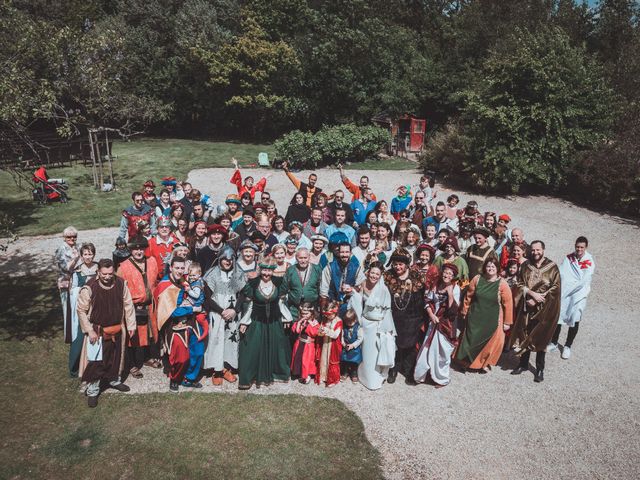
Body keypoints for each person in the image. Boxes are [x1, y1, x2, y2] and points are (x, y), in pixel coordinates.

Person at [77, 259, 136, 407]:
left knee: (115, 358)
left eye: (110, 273)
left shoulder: (121, 283)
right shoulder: (90, 287)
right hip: (97, 332)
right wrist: (89, 330)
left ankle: (113, 380)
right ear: (98, 272)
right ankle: (93, 390)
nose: (108, 277)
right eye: (104, 274)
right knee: (96, 362)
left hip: (117, 329)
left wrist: (131, 325)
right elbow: (81, 310)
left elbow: (128, 305)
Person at [509, 240, 561, 383]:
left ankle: (539, 369)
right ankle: (523, 364)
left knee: (541, 338)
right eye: (533, 250)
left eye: (538, 250)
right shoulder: (526, 265)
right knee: (525, 334)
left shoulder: (552, 268)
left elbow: (555, 288)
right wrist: (531, 294)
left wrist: (538, 299)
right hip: (527, 307)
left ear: (543, 250)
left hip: (544, 310)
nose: (535, 253)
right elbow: (519, 283)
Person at [238, 255, 292, 389]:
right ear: (260, 269)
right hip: (257, 321)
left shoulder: (279, 282)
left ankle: (276, 373)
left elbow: (281, 302)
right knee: (252, 347)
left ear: (273, 270)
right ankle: (251, 376)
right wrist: (245, 322)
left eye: (269, 270)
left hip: (274, 321)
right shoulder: (253, 283)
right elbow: (250, 304)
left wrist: (287, 318)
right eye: (264, 270)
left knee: (277, 347)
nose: (266, 273)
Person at [155, 257, 205, 392]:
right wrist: (192, 309)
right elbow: (171, 312)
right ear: (171, 267)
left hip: (190, 319)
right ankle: (175, 378)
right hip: (172, 322)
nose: (180, 271)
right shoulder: (165, 285)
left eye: (182, 268)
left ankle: (189, 377)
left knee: (198, 349)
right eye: (177, 268)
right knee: (180, 354)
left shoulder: (186, 280)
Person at [455, 258, 513, 373]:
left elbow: (508, 303)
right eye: (488, 266)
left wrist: (507, 322)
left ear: (497, 269)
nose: (490, 269)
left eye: (493, 267)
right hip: (475, 316)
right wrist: (464, 311)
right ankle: (465, 362)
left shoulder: (502, 284)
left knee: (490, 343)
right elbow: (468, 297)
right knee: (469, 340)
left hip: (492, 318)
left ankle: (483, 364)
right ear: (485, 267)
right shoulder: (477, 279)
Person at [116, 236, 160, 378]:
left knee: (150, 333)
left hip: (150, 306)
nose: (139, 251)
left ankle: (147, 357)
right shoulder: (123, 267)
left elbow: (157, 280)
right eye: (135, 249)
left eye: (141, 248)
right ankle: (133, 364)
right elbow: (119, 289)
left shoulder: (152, 261)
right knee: (133, 336)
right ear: (131, 250)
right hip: (133, 307)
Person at [348, 261, 396, 390]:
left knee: (374, 353)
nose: (374, 276)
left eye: (377, 274)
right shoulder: (363, 283)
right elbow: (358, 299)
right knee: (365, 352)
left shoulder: (383, 289)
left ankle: (373, 379)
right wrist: (353, 292)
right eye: (372, 272)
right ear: (368, 272)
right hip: (365, 322)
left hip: (377, 325)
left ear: (380, 276)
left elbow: (387, 310)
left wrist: (385, 329)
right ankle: (362, 375)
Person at [203, 246, 246, 385]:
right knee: (216, 340)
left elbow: (243, 294)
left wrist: (234, 310)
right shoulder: (212, 273)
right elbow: (208, 298)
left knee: (230, 340)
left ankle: (227, 368)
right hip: (217, 314)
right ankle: (217, 370)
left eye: (230, 259)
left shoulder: (237, 273)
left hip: (232, 314)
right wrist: (221, 311)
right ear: (220, 259)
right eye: (225, 259)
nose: (227, 262)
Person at [384, 248, 426, 385]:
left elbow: (421, 297)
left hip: (412, 317)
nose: (398, 267)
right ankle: (393, 369)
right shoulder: (388, 276)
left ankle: (408, 371)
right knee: (394, 344)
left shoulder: (416, 276)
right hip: (393, 316)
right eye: (395, 264)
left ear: (407, 264)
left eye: (401, 264)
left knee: (409, 345)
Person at [414, 263, 461, 387]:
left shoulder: (455, 288)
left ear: (453, 276)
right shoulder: (436, 284)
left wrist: (450, 293)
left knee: (442, 352)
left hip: (446, 324)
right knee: (427, 348)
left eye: (450, 274)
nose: (447, 275)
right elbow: (427, 300)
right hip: (433, 321)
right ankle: (422, 374)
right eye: (445, 272)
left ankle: (441, 378)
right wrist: (431, 315)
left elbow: (453, 312)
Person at [548, 236, 594, 360]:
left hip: (578, 295)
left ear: (586, 247)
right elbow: (562, 272)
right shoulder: (569, 258)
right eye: (577, 247)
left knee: (575, 318)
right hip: (565, 293)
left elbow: (583, 280)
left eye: (582, 247)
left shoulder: (589, 261)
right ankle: (554, 342)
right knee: (560, 316)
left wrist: (571, 288)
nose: (579, 249)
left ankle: (568, 346)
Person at [67, 243, 98, 378]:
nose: (88, 257)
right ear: (81, 255)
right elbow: (72, 290)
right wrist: (82, 290)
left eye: (90, 254)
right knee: (80, 337)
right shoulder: (78, 272)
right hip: (83, 308)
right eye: (85, 254)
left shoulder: (98, 268)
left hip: (97, 307)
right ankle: (75, 367)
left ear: (94, 254)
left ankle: (96, 364)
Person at [320, 242, 366, 317]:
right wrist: (323, 312)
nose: (344, 255)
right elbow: (323, 292)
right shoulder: (329, 267)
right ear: (338, 253)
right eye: (342, 252)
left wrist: (352, 289)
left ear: (350, 253)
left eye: (347, 252)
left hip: (350, 306)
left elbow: (361, 286)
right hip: (332, 305)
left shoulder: (356, 268)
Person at [56, 226, 81, 348]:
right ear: (64, 237)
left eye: (74, 236)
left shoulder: (77, 246)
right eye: (69, 237)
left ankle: (77, 333)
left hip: (77, 281)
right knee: (68, 310)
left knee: (77, 307)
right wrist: (76, 258)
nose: (72, 238)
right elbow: (65, 268)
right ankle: (69, 337)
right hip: (66, 282)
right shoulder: (61, 249)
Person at [282, 247, 322, 320]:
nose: (303, 260)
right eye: (300, 258)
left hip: (312, 307)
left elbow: (320, 288)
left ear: (309, 257)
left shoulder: (317, 269)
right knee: (295, 329)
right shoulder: (290, 270)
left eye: (305, 258)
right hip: (294, 308)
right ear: (296, 258)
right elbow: (284, 288)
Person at [290, 302, 320, 383]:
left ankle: (307, 375)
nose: (304, 315)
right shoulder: (300, 320)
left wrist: (310, 324)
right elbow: (295, 330)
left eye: (306, 314)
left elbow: (314, 333)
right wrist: (299, 324)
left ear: (312, 313)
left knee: (307, 360)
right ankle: (299, 373)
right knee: (298, 358)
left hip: (308, 345)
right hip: (299, 343)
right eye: (302, 314)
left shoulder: (314, 323)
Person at [315, 301, 343, 387]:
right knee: (324, 359)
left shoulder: (339, 321)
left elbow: (335, 335)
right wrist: (320, 331)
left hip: (333, 344)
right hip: (325, 343)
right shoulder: (325, 320)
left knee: (332, 360)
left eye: (330, 314)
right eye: (326, 314)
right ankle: (324, 376)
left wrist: (326, 330)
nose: (328, 316)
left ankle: (332, 379)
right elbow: (320, 330)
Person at [340, 308, 363, 383]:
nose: (349, 324)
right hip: (346, 347)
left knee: (354, 363)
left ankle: (354, 374)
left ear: (355, 320)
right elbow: (342, 336)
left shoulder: (358, 328)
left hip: (354, 349)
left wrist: (353, 345)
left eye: (351, 322)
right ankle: (345, 372)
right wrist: (343, 343)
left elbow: (360, 339)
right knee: (345, 361)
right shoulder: (344, 327)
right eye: (347, 322)